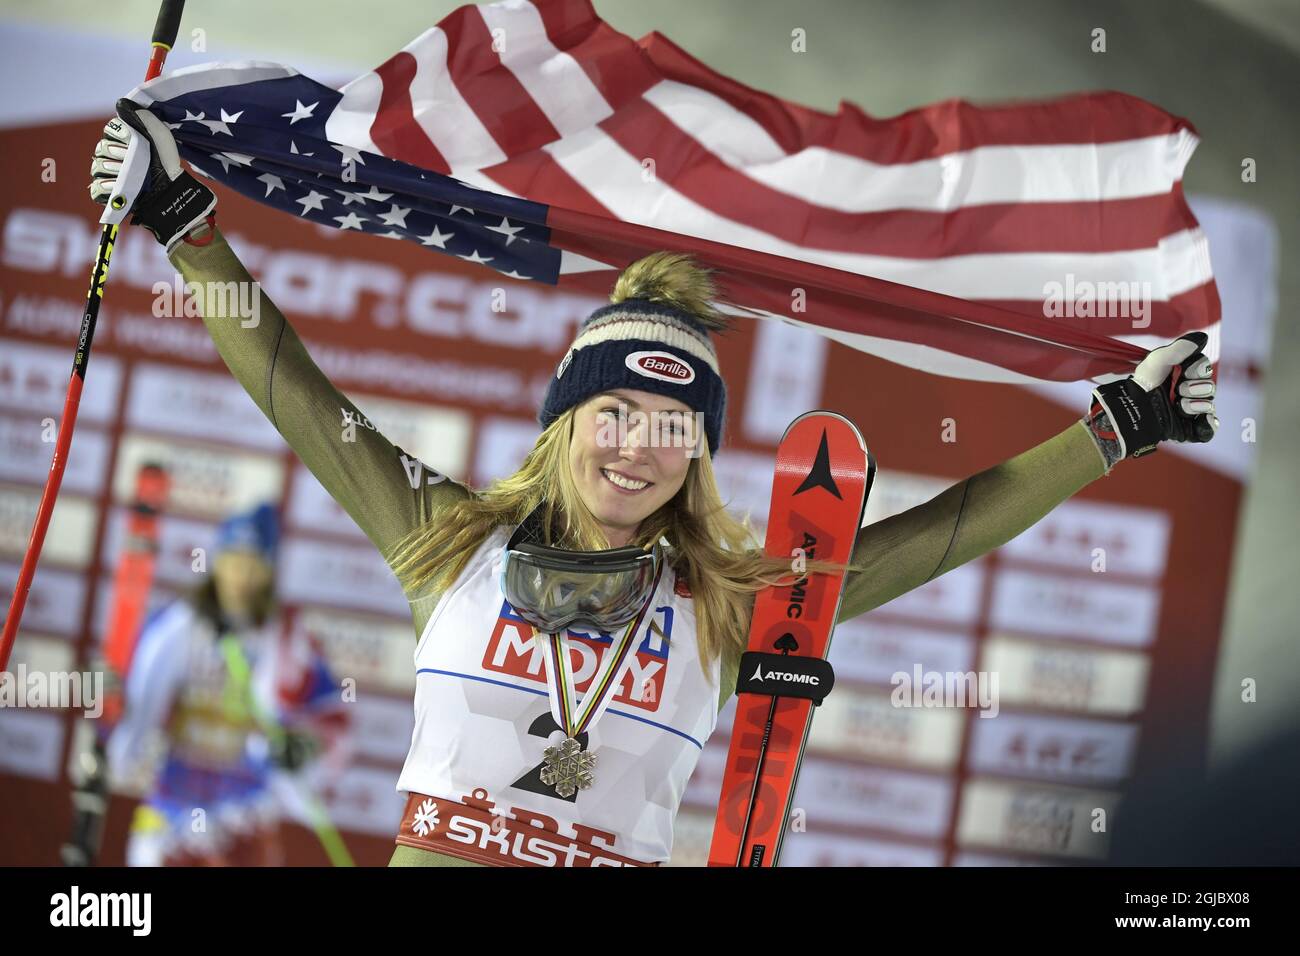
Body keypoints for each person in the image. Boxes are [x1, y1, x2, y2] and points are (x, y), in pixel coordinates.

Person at [89, 104, 1218, 867]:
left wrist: (1114, 430)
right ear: (565, 419)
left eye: (674, 426)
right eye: (615, 413)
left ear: (697, 453)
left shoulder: (726, 600)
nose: (637, 445)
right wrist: (183, 224)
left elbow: (934, 535)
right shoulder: (448, 539)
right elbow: (299, 391)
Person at [106, 503, 346, 866]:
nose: (241, 577)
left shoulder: (287, 641)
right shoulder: (176, 627)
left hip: (246, 814)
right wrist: (113, 724)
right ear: (216, 561)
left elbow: (330, 720)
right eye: (233, 560)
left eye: (254, 564)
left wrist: (303, 748)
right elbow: (132, 719)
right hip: (172, 807)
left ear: (269, 572)